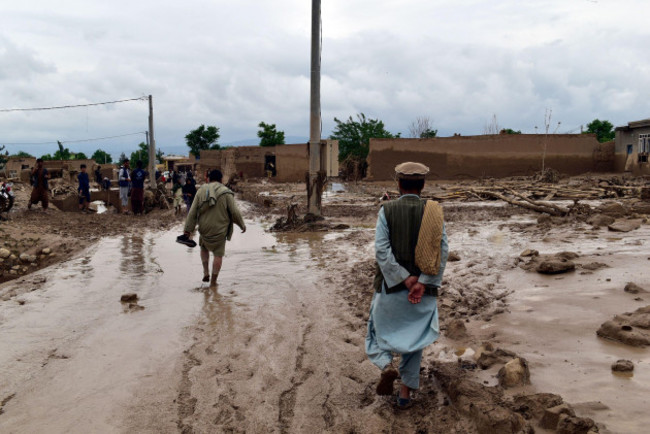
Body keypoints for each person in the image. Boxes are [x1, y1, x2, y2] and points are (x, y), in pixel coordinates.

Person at [365, 161, 449, 408]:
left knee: (374, 331)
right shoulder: (434, 211)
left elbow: (381, 250)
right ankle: (404, 395)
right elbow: (442, 250)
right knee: (415, 341)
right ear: (423, 185)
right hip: (423, 293)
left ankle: (386, 364)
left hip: (390, 288)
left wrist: (403, 277)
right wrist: (422, 282)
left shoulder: (387, 210)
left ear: (398, 184)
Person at [181, 169, 246, 286]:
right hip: (220, 230)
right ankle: (213, 282)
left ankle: (205, 272)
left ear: (209, 179)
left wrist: (187, 230)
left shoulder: (201, 191)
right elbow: (234, 212)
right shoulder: (226, 192)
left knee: (204, 248)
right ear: (221, 180)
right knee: (218, 254)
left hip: (204, 228)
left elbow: (192, 212)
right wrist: (242, 224)